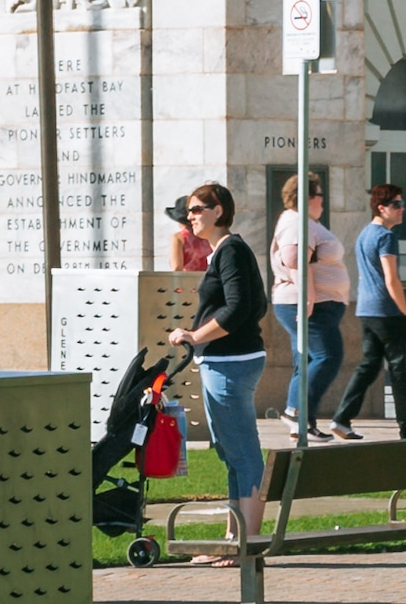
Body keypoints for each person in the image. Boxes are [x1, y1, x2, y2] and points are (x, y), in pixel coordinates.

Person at [163, 183, 273, 542]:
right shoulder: (226, 252)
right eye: (189, 211)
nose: (190, 216)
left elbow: (240, 307)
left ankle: (247, 539)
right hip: (228, 361)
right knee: (230, 451)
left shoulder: (231, 251)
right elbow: (256, 304)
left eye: (197, 209)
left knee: (241, 451)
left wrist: (195, 336)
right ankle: (233, 537)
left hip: (231, 363)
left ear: (219, 211)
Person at [344, 183, 406, 440]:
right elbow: (392, 279)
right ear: (381, 208)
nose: (402, 209)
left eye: (402, 204)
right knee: (399, 371)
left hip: (366, 309)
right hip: (387, 311)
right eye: (396, 205)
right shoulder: (386, 237)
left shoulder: (365, 234)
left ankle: (341, 419)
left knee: (368, 366)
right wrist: (405, 311)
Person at [275, 181, 350, 440]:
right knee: (327, 356)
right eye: (320, 195)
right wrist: (308, 297)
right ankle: (298, 413)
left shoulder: (304, 222)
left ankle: (302, 420)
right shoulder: (296, 222)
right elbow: (294, 258)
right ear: (306, 197)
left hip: (317, 304)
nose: (323, 201)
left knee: (306, 360)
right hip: (310, 305)